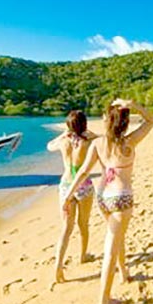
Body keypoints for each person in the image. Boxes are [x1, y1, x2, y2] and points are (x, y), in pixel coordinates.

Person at [62, 99, 153, 304]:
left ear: (107, 120)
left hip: (103, 198)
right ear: (126, 122)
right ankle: (104, 300)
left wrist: (68, 195)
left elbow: (83, 172)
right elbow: (151, 120)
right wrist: (133, 104)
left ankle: (123, 273)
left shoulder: (98, 143)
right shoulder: (130, 141)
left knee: (117, 237)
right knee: (111, 249)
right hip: (122, 198)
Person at [46, 110, 98, 283]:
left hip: (66, 185)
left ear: (68, 126)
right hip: (83, 185)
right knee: (83, 224)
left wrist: (64, 134)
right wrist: (89, 133)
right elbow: (104, 139)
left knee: (66, 228)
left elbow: (49, 145)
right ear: (84, 124)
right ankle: (83, 255)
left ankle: (58, 266)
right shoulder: (88, 141)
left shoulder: (63, 141)